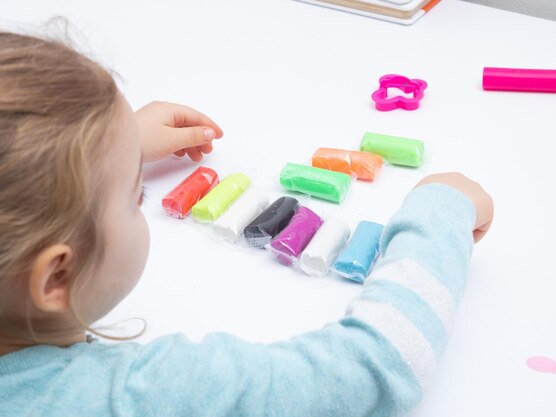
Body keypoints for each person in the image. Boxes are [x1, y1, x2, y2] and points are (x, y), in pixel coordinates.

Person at [0, 31, 494, 417]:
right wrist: (440, 214)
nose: (141, 198)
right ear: (56, 277)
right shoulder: (141, 397)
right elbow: (374, 369)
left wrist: (106, 145)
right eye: (136, 196)